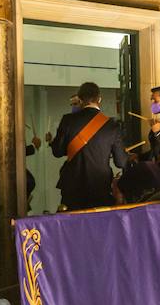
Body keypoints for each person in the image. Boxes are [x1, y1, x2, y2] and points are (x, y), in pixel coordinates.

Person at [49, 82, 129, 211]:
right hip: (100, 186)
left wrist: (53, 142)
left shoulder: (68, 120)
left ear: (80, 100)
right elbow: (120, 162)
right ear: (99, 99)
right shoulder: (112, 125)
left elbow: (57, 151)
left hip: (72, 187)